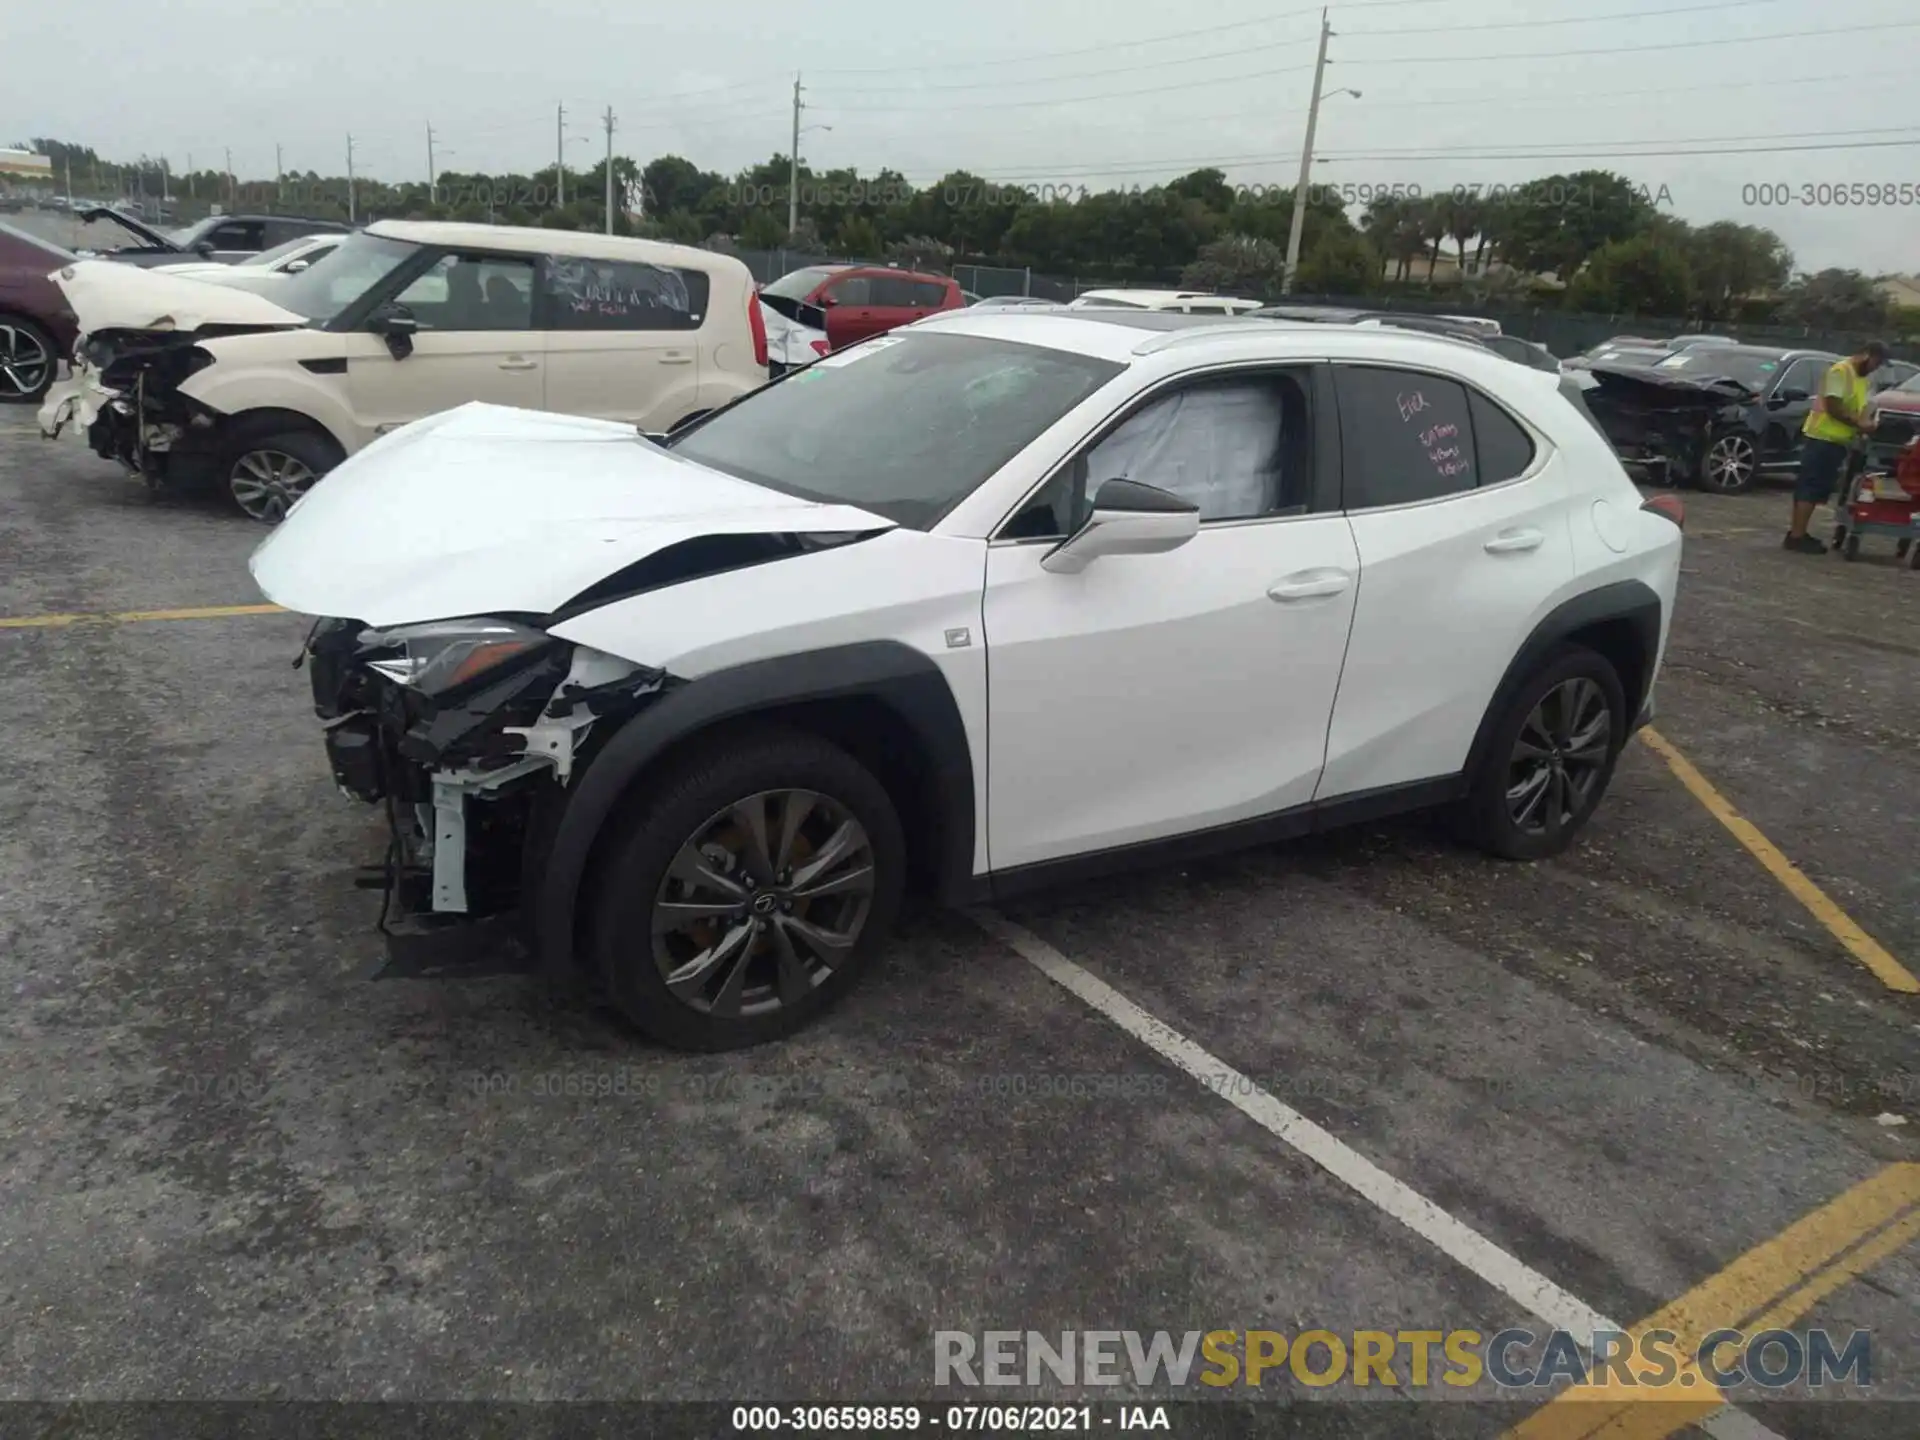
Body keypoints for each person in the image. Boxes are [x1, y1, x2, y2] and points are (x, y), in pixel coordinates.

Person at [1784, 341, 1889, 553]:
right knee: (1810, 487)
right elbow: (1834, 406)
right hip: (1823, 438)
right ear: (1867, 354)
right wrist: (1859, 424)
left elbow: (1857, 407)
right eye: (1877, 362)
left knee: (1817, 488)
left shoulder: (1861, 379)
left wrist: (1865, 423)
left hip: (1838, 441)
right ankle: (1796, 536)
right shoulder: (1840, 371)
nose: (1877, 367)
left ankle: (1799, 533)